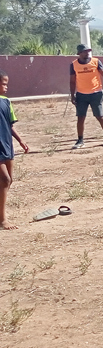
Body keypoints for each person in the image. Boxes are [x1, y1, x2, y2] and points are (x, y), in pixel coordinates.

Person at [0, 71, 30, 230]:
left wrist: (21, 140)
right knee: (4, 180)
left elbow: (10, 125)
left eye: (6, 83)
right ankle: (3, 220)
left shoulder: (6, 102)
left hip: (6, 144)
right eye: (3, 83)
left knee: (8, 180)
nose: (6, 87)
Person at [69, 44, 103, 149]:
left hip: (96, 93)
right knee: (80, 118)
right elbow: (72, 81)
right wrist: (73, 95)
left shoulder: (96, 62)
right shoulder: (73, 65)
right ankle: (80, 140)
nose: (87, 53)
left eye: (88, 51)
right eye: (85, 51)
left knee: (99, 116)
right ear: (79, 53)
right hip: (81, 94)